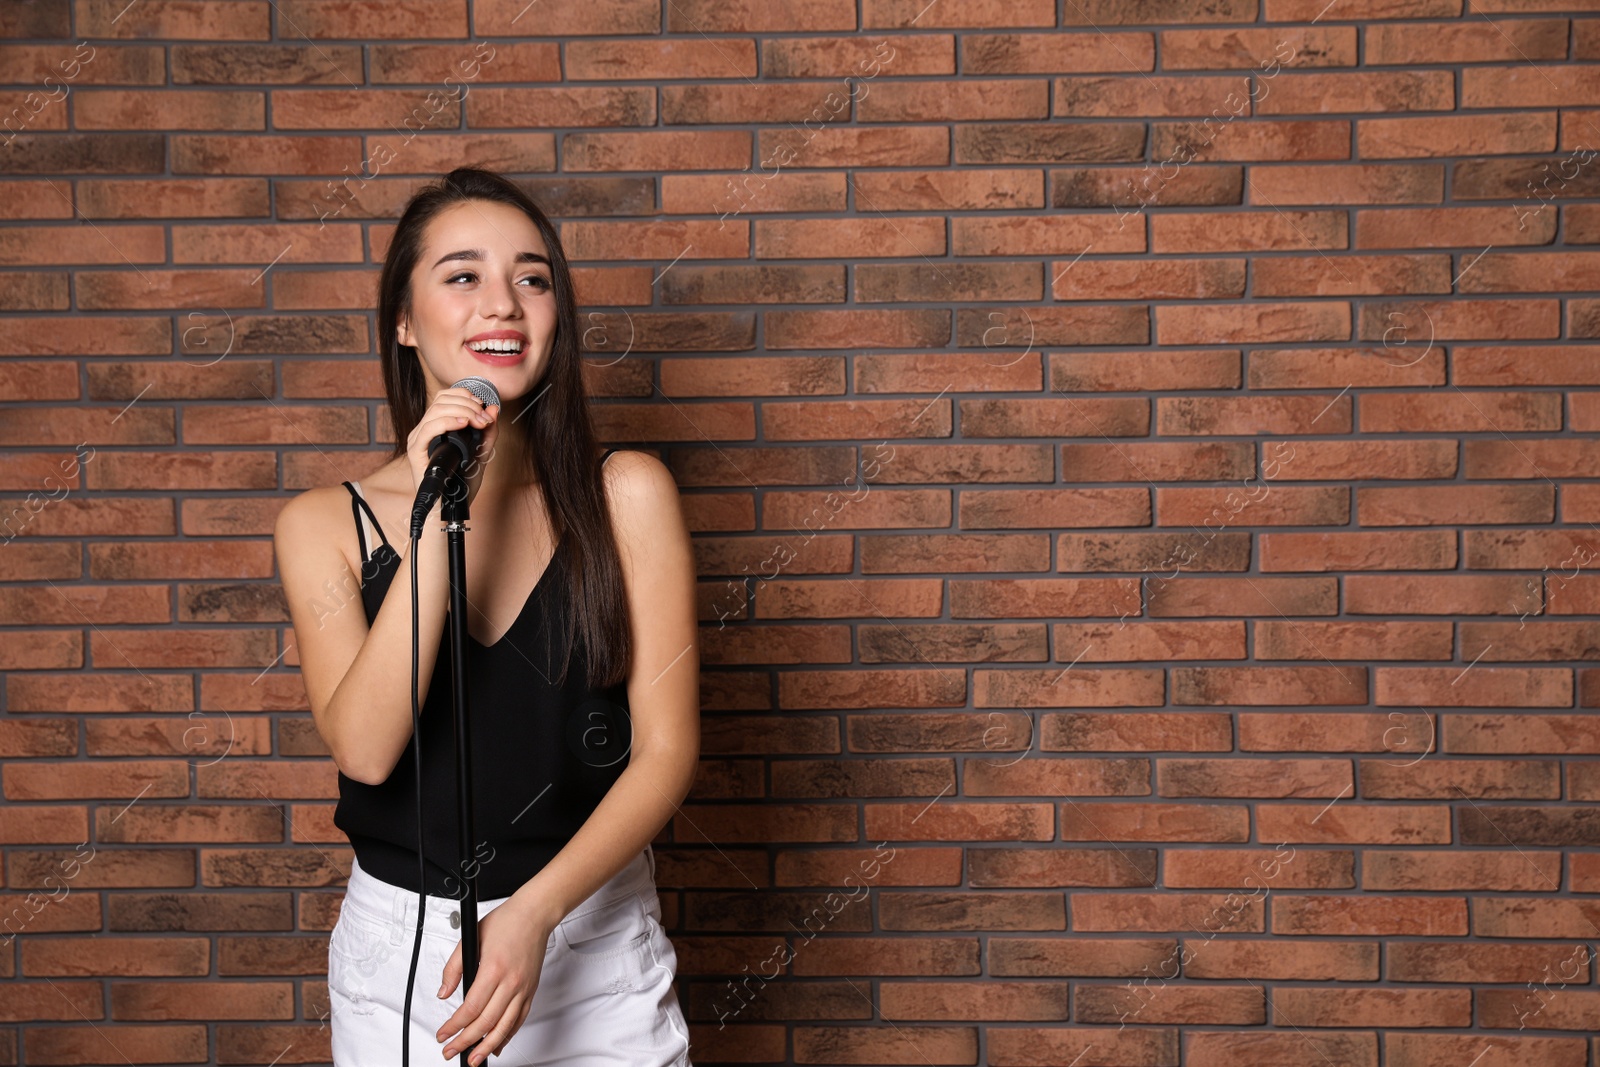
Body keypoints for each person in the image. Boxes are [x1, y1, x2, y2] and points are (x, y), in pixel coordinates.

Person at [272, 167, 698, 1066]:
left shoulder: (628, 495)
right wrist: (436, 511)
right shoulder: (321, 524)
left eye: (532, 278)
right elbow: (367, 749)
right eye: (463, 276)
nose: (502, 303)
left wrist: (535, 910)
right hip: (406, 963)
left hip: (591, 936)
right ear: (402, 318)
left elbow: (666, 751)